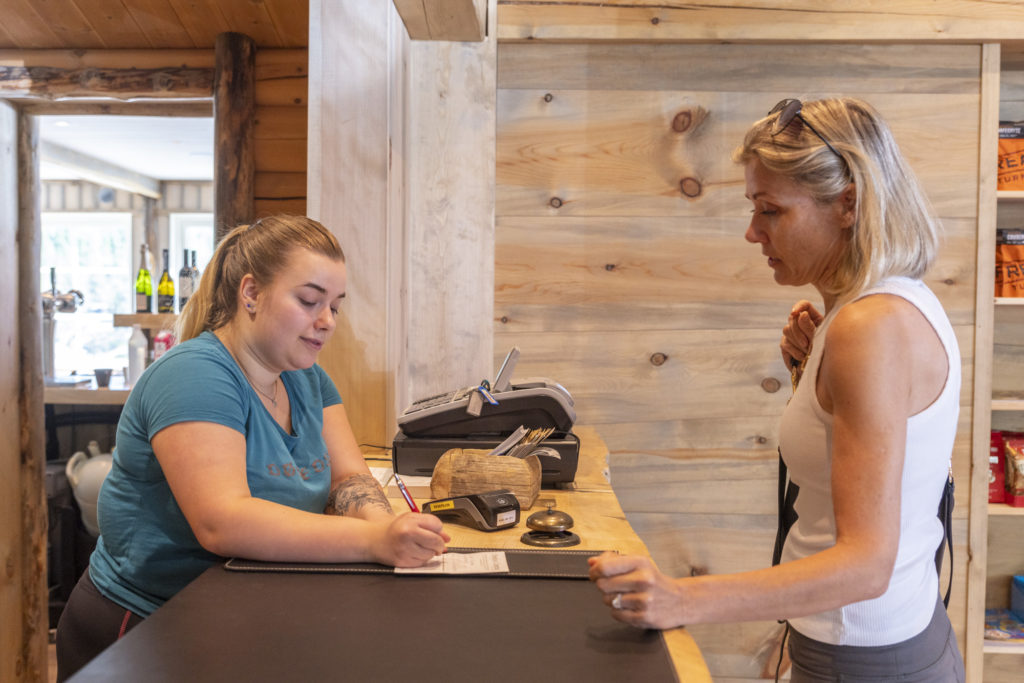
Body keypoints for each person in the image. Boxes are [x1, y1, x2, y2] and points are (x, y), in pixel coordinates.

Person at [588, 98, 965, 681]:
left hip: (861, 659)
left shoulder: (869, 329)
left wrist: (681, 599)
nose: (751, 231)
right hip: (878, 642)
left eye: (771, 211)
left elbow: (865, 565)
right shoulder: (890, 301)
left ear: (848, 204)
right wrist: (811, 383)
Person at [56, 215, 450, 680]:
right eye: (309, 301)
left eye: (335, 307)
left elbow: (348, 477)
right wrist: (375, 542)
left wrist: (390, 526)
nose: (326, 321)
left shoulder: (307, 379)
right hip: (146, 623)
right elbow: (222, 521)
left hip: (237, 609)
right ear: (251, 294)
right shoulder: (196, 375)